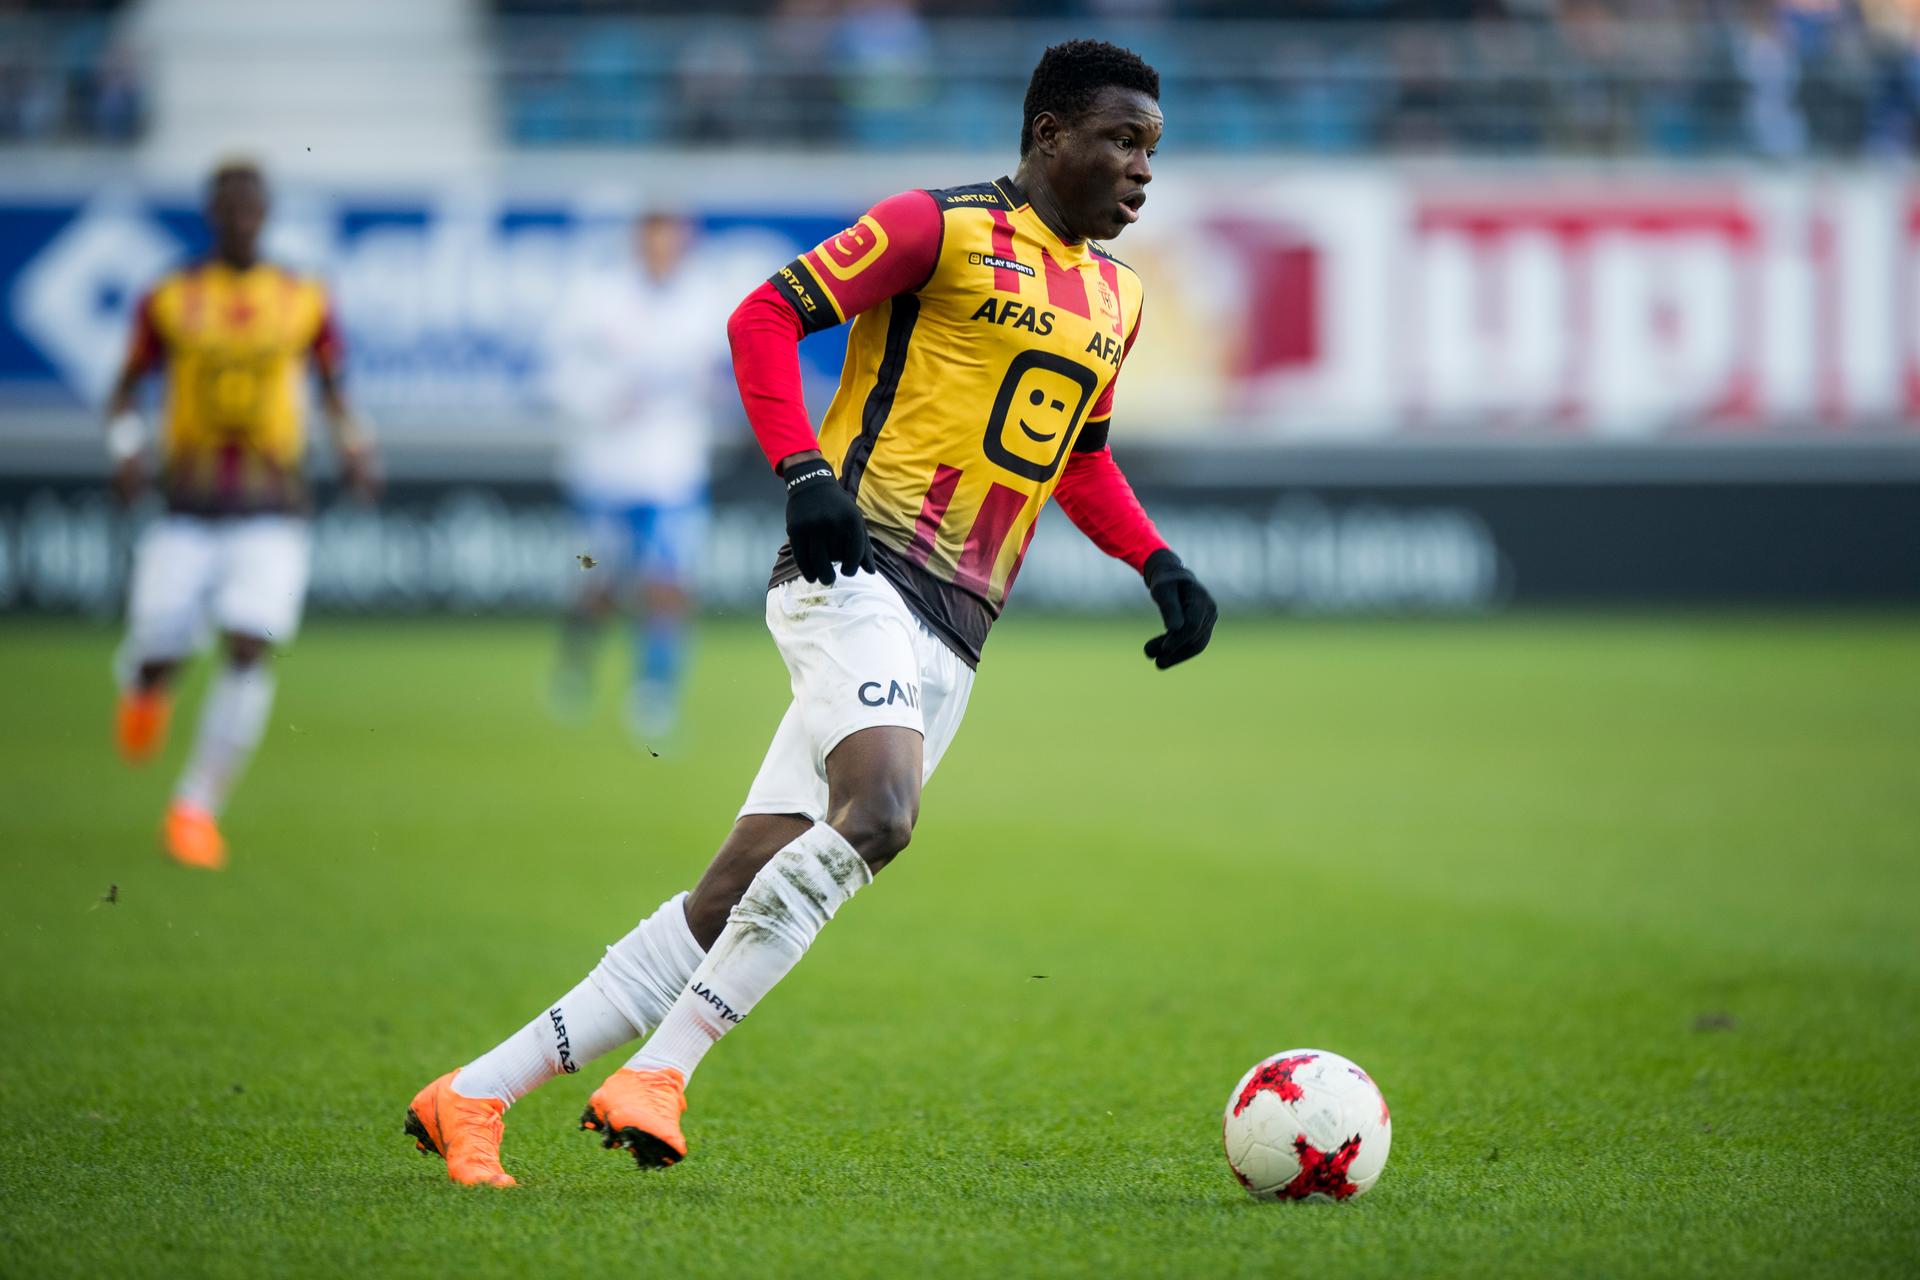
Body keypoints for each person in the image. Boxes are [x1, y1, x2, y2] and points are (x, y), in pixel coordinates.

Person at [404, 40, 1216, 1187]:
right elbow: (761, 320)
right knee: (881, 813)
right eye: (1121, 141)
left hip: (957, 633)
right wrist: (802, 468)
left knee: (730, 891)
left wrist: (1157, 558)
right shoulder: (937, 228)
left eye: (1153, 150)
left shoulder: (1119, 299)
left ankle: (473, 1092)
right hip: (856, 572)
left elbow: (1077, 454)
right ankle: (661, 1072)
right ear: (1048, 137)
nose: (1141, 170)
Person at [107, 159, 378, 870]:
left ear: (265, 215)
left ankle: (196, 807)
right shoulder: (169, 298)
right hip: (187, 507)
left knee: (249, 642)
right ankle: (144, 686)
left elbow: (333, 389)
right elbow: (126, 387)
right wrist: (127, 448)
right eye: (228, 209)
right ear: (211, 214)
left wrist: (355, 449)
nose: (240, 221)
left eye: (251, 209)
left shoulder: (300, 298)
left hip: (272, 506)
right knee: (160, 647)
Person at [545, 210, 724, 745]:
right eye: (654, 241)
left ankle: (655, 692)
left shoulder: (704, 301)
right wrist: (599, 401)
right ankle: (576, 664)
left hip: (672, 471)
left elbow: (719, 375)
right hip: (606, 469)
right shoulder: (597, 297)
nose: (663, 251)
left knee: (669, 582)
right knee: (597, 581)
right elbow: (556, 374)